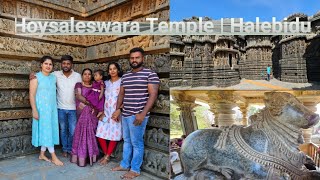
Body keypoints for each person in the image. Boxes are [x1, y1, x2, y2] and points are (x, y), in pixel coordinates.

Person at [111, 47, 160, 179]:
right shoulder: (126, 76)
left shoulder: (150, 74)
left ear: (142, 58)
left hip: (138, 115)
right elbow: (121, 94)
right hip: (125, 113)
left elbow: (153, 95)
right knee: (127, 141)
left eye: (137, 57)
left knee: (137, 143)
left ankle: (135, 169)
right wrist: (117, 110)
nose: (134, 60)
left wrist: (143, 113)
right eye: (132, 58)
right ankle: (125, 164)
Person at [29, 56, 63, 166]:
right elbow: (31, 95)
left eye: (50, 64)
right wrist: (34, 110)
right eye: (46, 63)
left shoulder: (54, 77)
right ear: (41, 65)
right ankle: (53, 156)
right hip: (41, 110)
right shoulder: (35, 78)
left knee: (48, 131)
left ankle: (42, 154)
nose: (48, 66)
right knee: (47, 131)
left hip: (52, 110)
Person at [70, 68, 100, 167]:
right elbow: (78, 96)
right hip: (82, 111)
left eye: (89, 74)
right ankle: (81, 157)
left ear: (91, 76)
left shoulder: (95, 86)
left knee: (91, 133)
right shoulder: (79, 85)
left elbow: (98, 98)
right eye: (85, 74)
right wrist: (89, 103)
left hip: (92, 114)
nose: (87, 76)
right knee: (81, 133)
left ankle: (91, 156)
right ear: (82, 76)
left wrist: (94, 106)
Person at [96, 62, 123, 165]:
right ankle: (107, 153)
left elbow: (125, 98)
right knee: (100, 134)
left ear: (118, 70)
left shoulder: (122, 82)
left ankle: (107, 156)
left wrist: (120, 110)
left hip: (116, 113)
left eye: (114, 68)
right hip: (105, 112)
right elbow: (99, 97)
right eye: (110, 69)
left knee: (114, 135)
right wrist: (100, 111)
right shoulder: (105, 83)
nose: (112, 71)